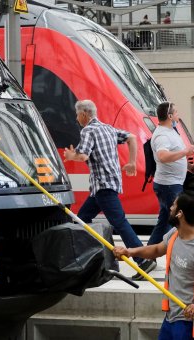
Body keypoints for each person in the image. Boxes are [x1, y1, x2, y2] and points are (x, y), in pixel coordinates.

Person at [112, 191, 194, 340]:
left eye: (173, 205)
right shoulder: (174, 234)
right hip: (171, 317)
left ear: (180, 213)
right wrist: (129, 252)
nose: (170, 208)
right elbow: (156, 249)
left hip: (188, 322)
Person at [64, 100, 157, 276]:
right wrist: (131, 162)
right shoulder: (107, 128)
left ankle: (142, 259)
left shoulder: (88, 130)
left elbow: (83, 156)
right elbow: (131, 137)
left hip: (102, 184)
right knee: (82, 219)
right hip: (107, 185)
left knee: (119, 222)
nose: (77, 119)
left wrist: (71, 155)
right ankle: (87, 257)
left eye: (77, 115)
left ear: (84, 114)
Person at [147, 102, 194, 251]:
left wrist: (189, 167)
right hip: (168, 185)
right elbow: (163, 156)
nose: (178, 115)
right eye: (176, 112)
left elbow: (174, 154)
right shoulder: (162, 135)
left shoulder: (171, 131)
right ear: (170, 116)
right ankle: (185, 253)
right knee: (181, 221)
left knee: (164, 222)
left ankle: (147, 256)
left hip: (171, 184)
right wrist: (186, 152)